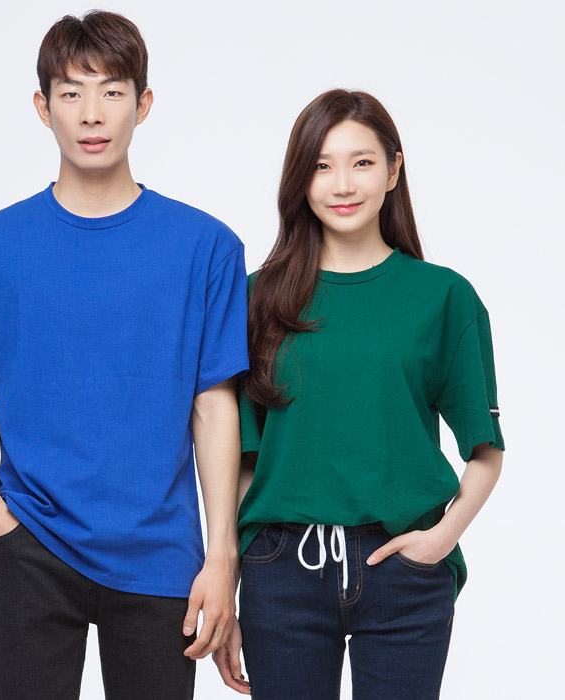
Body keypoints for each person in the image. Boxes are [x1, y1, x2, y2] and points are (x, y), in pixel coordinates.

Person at [0, 10, 248, 700]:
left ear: (144, 103)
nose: (92, 114)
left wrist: (222, 554)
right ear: (43, 107)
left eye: (111, 91)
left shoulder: (206, 247)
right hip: (32, 541)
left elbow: (214, 405)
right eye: (71, 93)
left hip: (160, 552)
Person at [213, 89, 505, 699]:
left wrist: (440, 540)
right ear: (300, 179)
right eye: (322, 165)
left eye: (362, 162)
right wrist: (231, 582)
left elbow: (486, 450)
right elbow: (242, 459)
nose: (342, 184)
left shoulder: (443, 297)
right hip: (280, 570)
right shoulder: (256, 298)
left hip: (404, 570)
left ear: (394, 170)